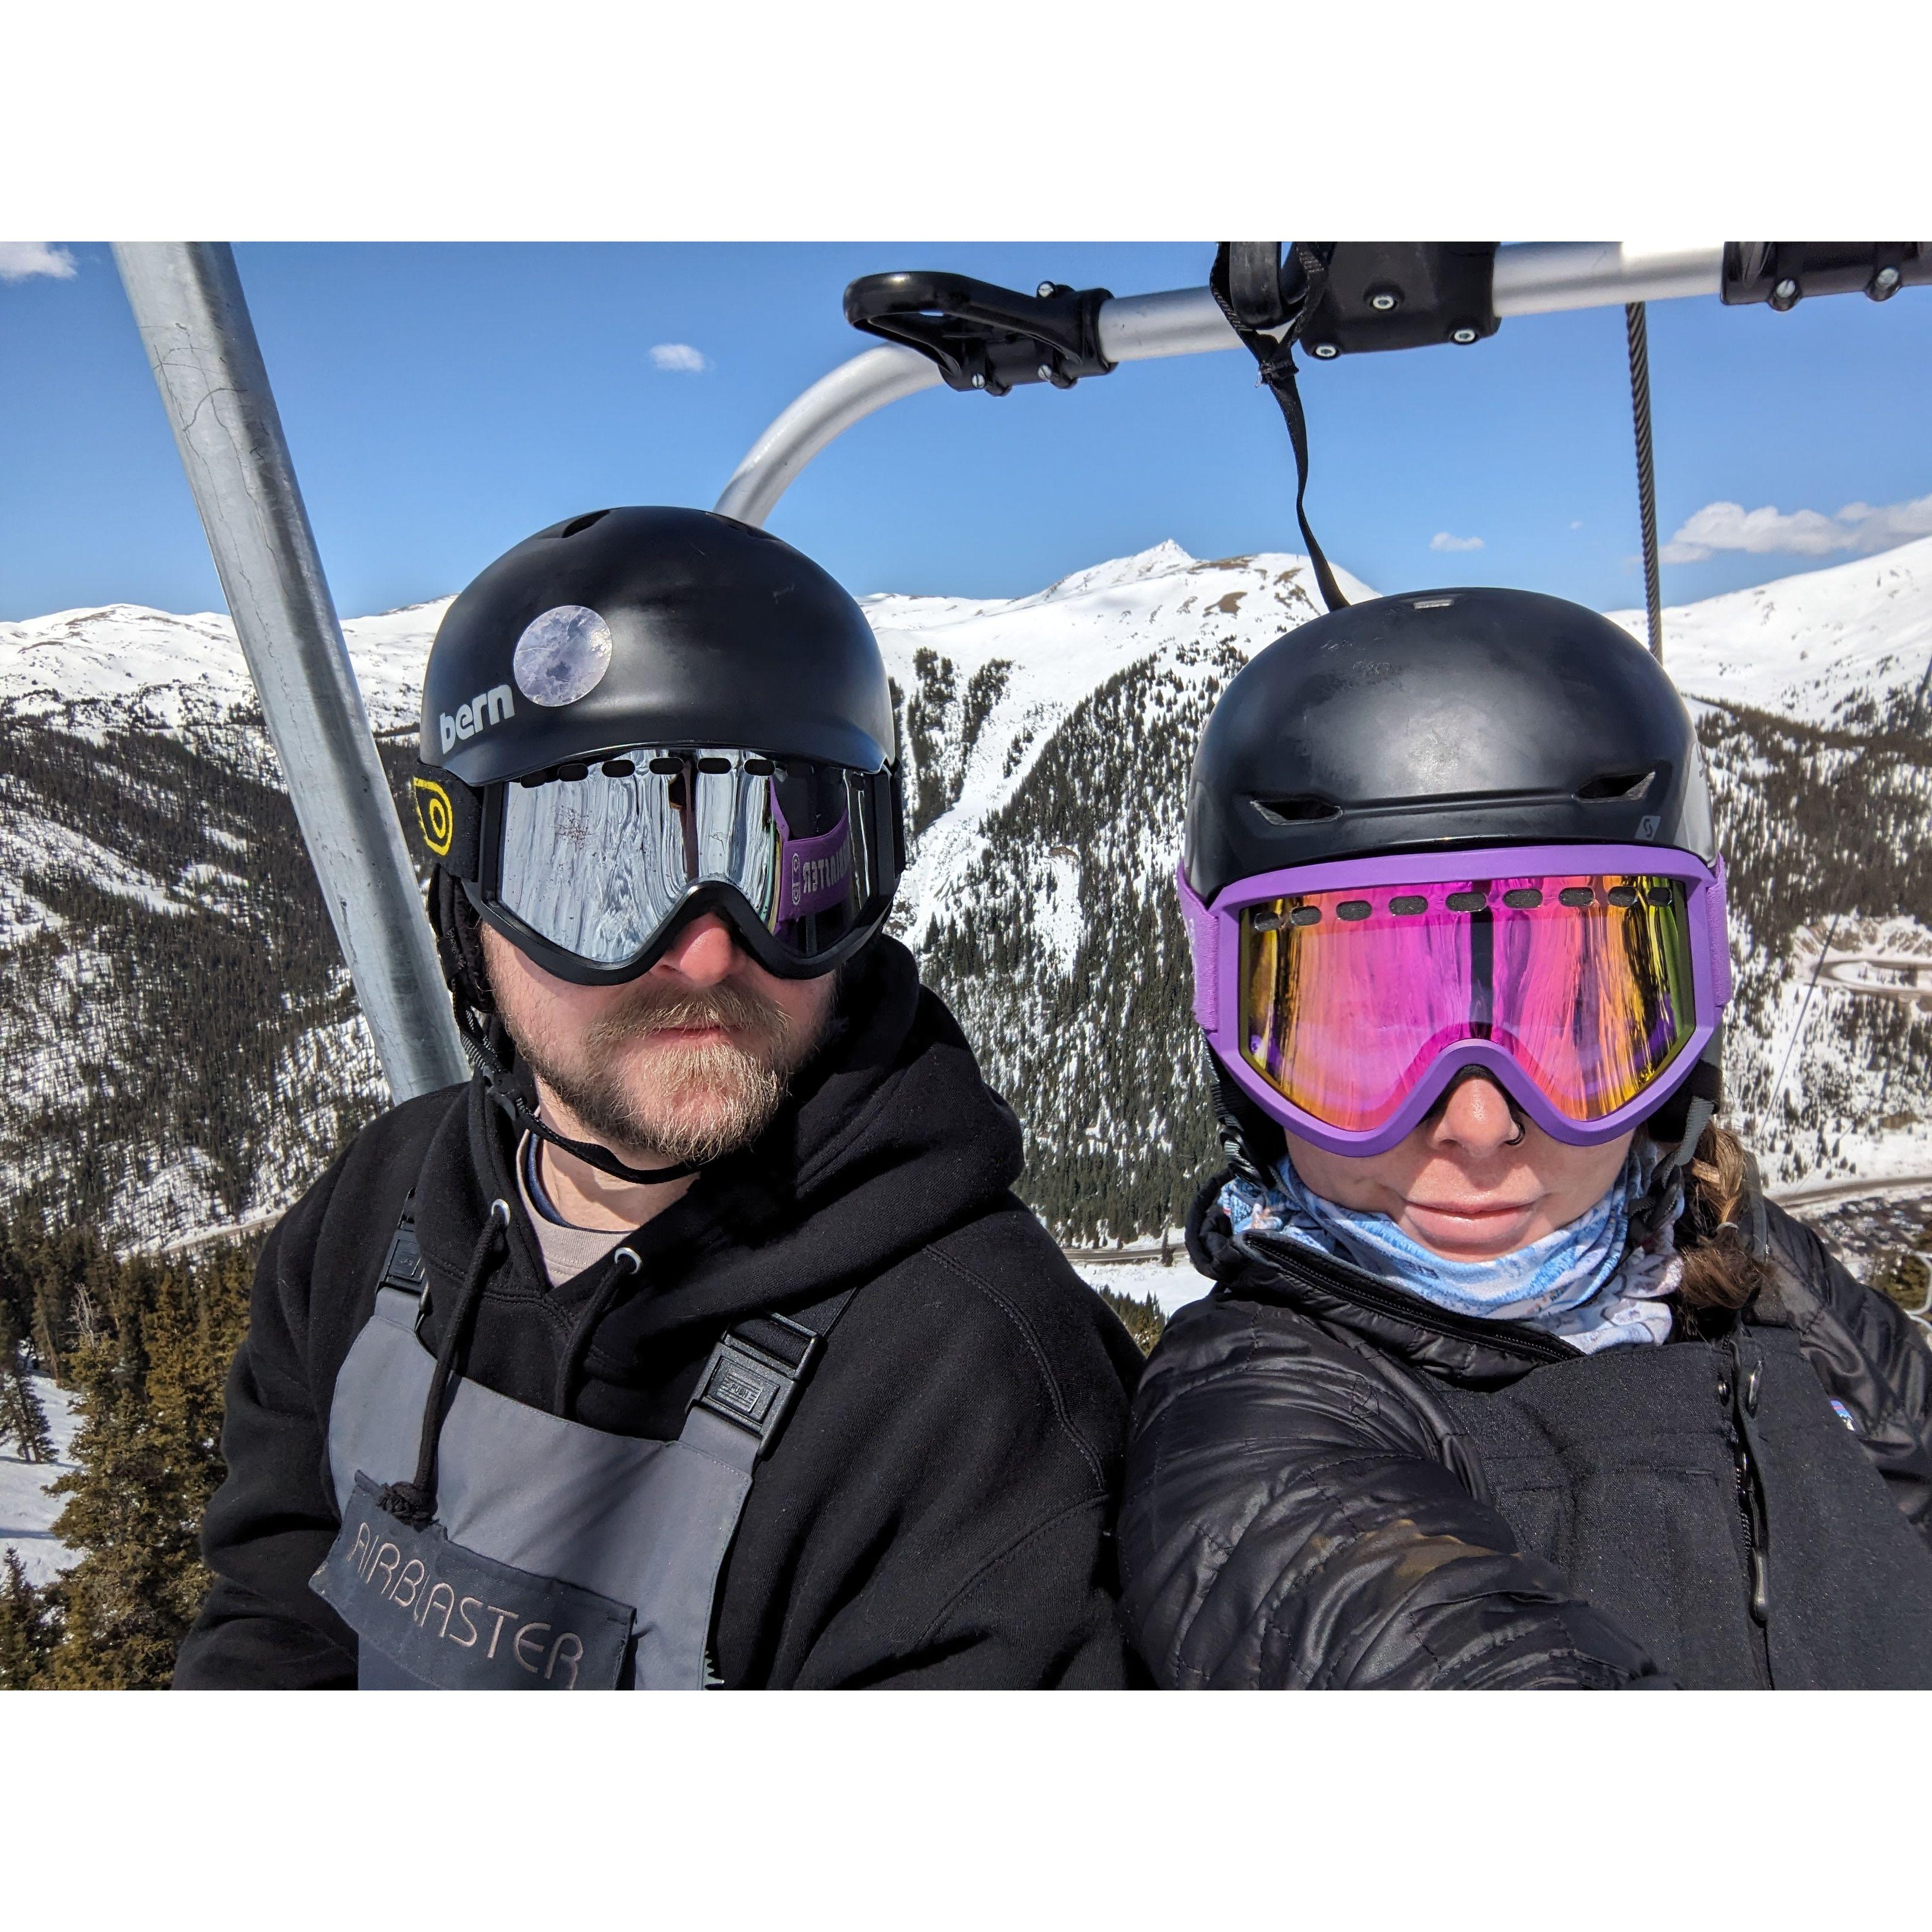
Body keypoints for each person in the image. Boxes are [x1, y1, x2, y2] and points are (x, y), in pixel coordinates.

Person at [175, 506, 1143, 1690]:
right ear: (470, 909)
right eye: (599, 873)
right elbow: (278, 1615)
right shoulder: (375, 1213)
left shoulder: (964, 1383)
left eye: (784, 875)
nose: (704, 956)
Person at [1121, 587, 1932, 1689]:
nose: (1482, 1127)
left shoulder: (1736, 1251)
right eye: (1363, 1039)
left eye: (1579, 1026)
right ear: (1249, 1067)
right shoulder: (1254, 1443)